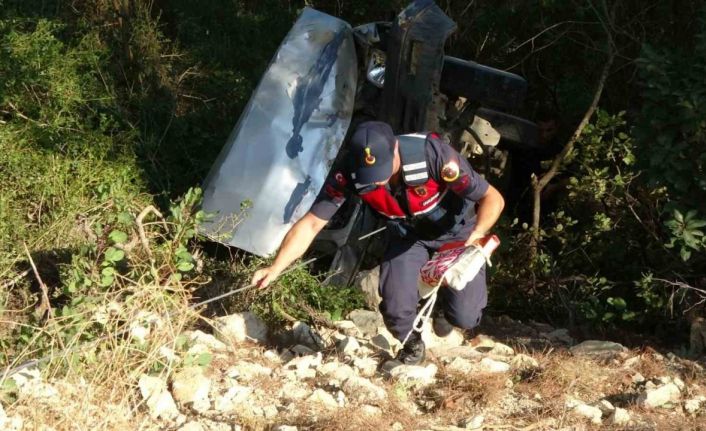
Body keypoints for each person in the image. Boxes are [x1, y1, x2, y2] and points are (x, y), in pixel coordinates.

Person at [251, 121, 505, 365]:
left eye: (383, 170)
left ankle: (445, 312)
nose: (378, 181)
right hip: (408, 237)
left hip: (458, 234)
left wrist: (476, 235)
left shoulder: (432, 154)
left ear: (395, 148)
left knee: (466, 316)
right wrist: (276, 267)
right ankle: (413, 347)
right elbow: (311, 224)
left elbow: (493, 198)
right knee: (395, 308)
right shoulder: (349, 172)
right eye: (370, 175)